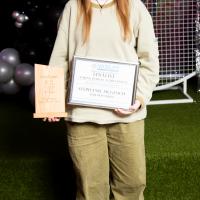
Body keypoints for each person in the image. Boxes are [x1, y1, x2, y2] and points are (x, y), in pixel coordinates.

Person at [44, 0, 159, 199]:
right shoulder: (73, 6)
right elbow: (59, 58)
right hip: (82, 115)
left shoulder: (135, 6)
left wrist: (139, 97)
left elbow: (149, 60)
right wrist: (52, 103)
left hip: (127, 114)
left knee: (132, 184)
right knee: (91, 189)